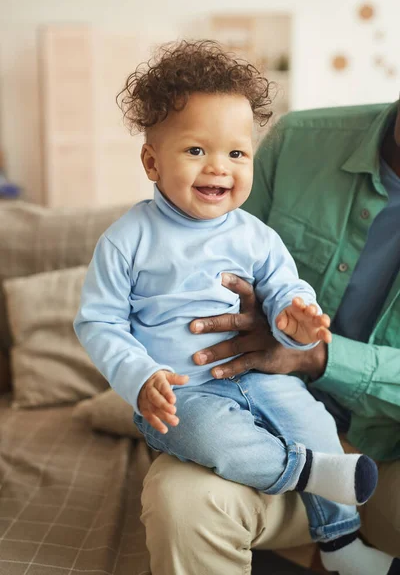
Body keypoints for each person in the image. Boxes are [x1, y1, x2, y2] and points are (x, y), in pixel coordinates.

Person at [74, 40, 399, 575]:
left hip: (271, 381)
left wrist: (297, 320)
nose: (218, 168)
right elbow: (98, 320)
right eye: (196, 151)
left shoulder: (255, 235)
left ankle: (342, 548)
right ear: (152, 161)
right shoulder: (127, 238)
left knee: (313, 422)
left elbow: (285, 289)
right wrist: (140, 377)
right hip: (187, 392)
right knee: (215, 441)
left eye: (236, 153)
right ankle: (301, 473)